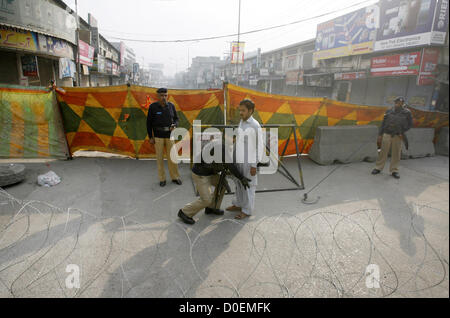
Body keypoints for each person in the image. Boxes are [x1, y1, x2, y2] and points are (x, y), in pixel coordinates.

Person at [178, 139, 251, 225]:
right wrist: (242, 178)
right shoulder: (222, 148)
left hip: (210, 173)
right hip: (201, 174)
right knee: (206, 199)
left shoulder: (224, 146)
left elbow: (225, 165)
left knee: (222, 184)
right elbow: (230, 165)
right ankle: (184, 212)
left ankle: (212, 207)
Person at [226, 99, 263, 220]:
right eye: (240, 110)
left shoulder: (255, 125)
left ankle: (247, 210)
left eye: (243, 110)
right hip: (239, 158)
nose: (240, 113)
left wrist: (254, 165)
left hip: (249, 161)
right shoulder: (242, 122)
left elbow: (259, 146)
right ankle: (238, 204)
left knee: (248, 185)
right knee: (238, 183)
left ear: (251, 111)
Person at [147, 88, 182, 187]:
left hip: (170, 135)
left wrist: (175, 125)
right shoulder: (153, 107)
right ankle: (162, 179)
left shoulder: (171, 106)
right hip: (158, 136)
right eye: (162, 95)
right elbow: (148, 123)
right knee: (159, 158)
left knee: (172, 157)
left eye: (165, 95)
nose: (164, 97)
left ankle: (175, 177)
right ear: (157, 96)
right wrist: (150, 136)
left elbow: (176, 119)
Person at [372, 96, 413, 179]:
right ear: (395, 103)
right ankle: (378, 167)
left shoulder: (407, 112)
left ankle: (394, 170)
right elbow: (383, 123)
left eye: (401, 103)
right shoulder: (389, 111)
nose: (399, 104)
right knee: (383, 151)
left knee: (396, 153)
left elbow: (410, 124)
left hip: (398, 135)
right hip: (387, 133)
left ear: (403, 103)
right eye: (397, 102)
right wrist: (380, 134)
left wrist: (402, 131)